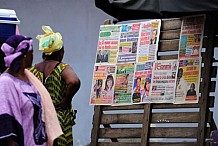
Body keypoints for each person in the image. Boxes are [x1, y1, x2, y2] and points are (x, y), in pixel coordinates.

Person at [0, 35, 62, 146]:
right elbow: (5, 124)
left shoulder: (29, 78)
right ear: (23, 56)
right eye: (31, 53)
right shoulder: (6, 82)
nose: (33, 56)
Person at [29, 26, 81, 146]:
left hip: (39, 119)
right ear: (60, 52)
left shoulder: (33, 70)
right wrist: (66, 100)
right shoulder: (61, 68)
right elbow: (74, 81)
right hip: (59, 121)